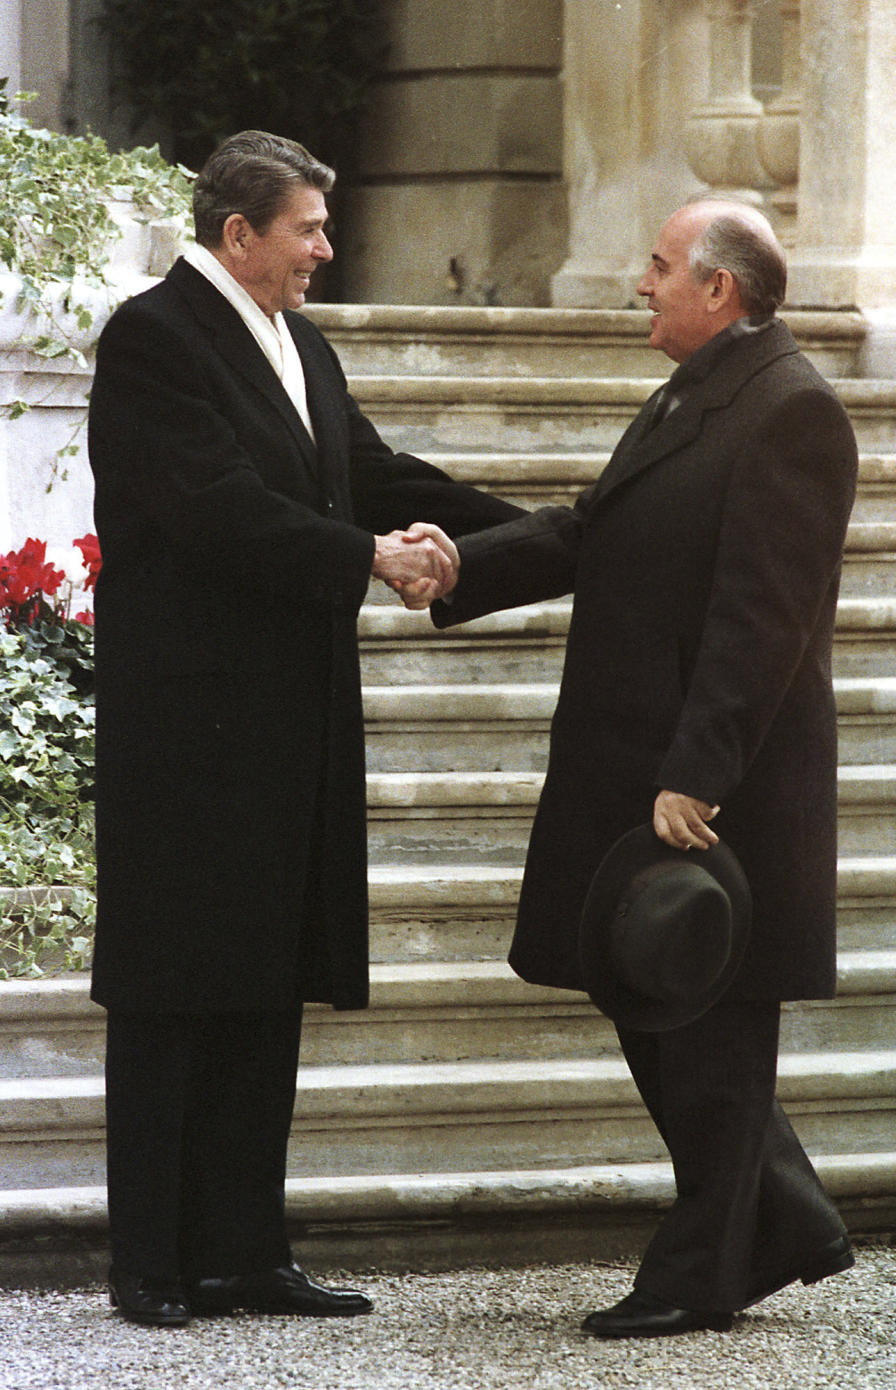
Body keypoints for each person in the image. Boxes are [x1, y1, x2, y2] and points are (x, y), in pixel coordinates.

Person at [87, 129, 522, 1327]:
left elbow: (371, 476)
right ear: (241, 234)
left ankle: (247, 1249)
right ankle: (154, 1264)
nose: (326, 248)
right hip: (186, 729)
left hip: (287, 721)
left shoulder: (300, 341)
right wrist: (368, 561)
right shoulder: (154, 339)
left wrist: (545, 537)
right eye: (309, 229)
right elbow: (216, 510)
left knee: (264, 983)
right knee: (175, 990)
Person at [429, 198, 859, 1336]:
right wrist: (456, 567)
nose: (641, 284)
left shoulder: (793, 409)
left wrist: (697, 775)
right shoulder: (704, 390)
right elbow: (596, 529)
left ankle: (699, 1274)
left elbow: (763, 622)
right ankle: (786, 1218)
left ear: (720, 290)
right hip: (644, 770)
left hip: (714, 794)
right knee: (660, 1009)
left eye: (660, 267)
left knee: (703, 1035)